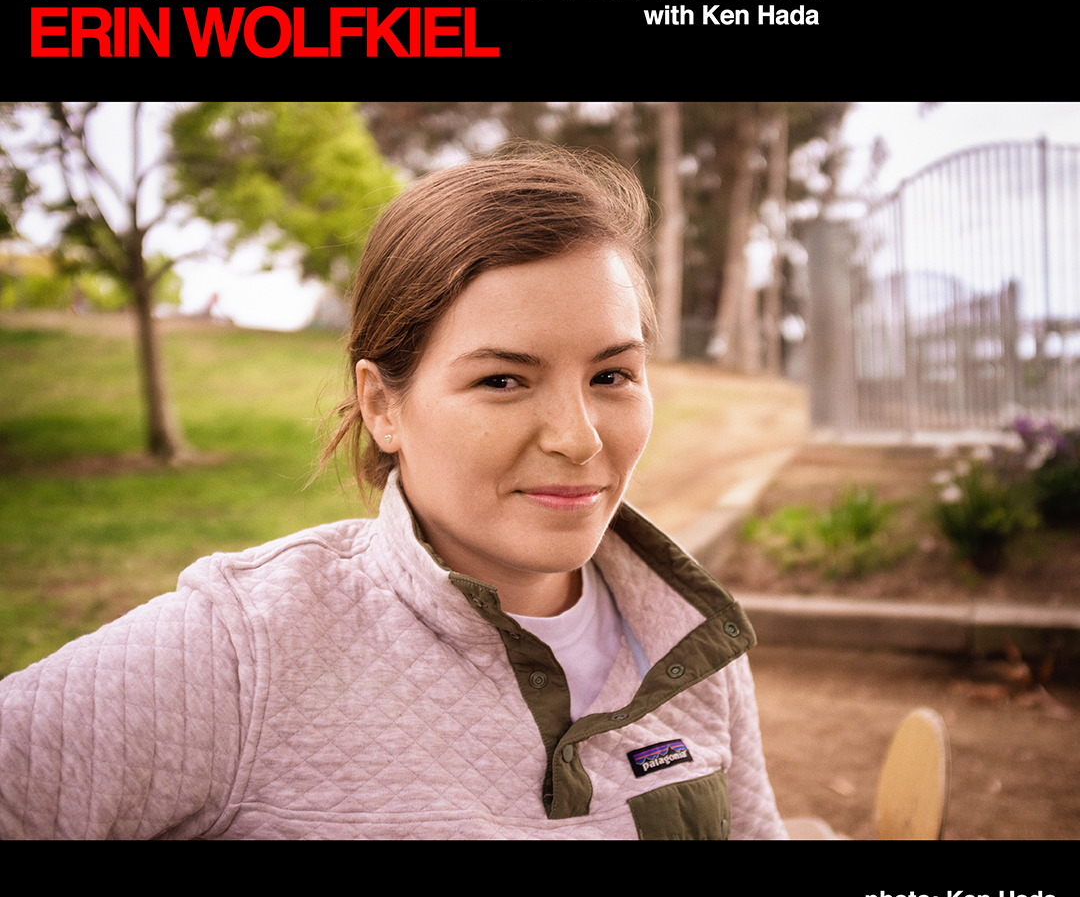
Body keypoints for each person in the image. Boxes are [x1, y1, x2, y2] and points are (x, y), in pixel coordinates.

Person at [0, 147, 787, 840]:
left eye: (611, 375)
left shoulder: (689, 640)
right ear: (382, 406)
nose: (578, 439)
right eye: (503, 380)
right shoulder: (247, 649)